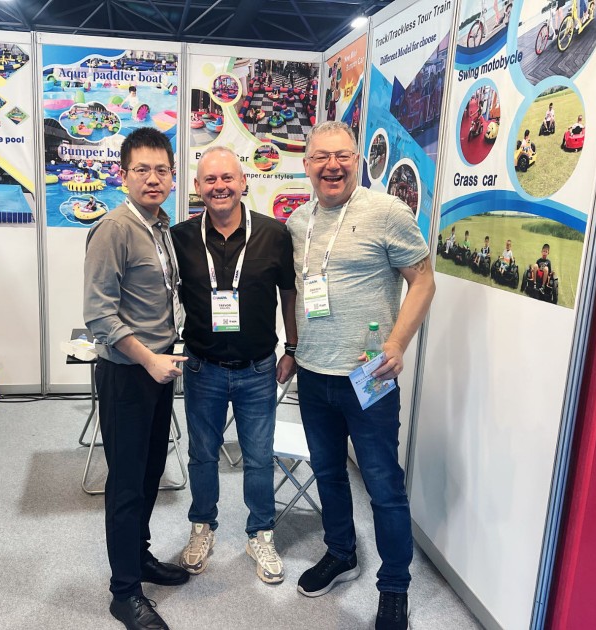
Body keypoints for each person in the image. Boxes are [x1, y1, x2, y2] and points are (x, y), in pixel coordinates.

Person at [286, 121, 435, 630]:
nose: (332, 166)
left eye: (343, 156)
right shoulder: (298, 222)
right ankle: (341, 551)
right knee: (328, 473)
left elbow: (423, 280)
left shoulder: (387, 212)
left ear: (357, 160)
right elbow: (295, 292)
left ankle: (394, 587)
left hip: (369, 376)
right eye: (321, 157)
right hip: (313, 374)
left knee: (383, 486)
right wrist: (291, 347)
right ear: (307, 165)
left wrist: (397, 344)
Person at [171, 146, 297, 584]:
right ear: (197, 187)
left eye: (228, 178)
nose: (220, 186)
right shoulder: (180, 237)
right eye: (210, 179)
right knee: (202, 454)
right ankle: (202, 527)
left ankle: (260, 533)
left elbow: (288, 294)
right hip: (202, 367)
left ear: (244, 182)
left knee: (259, 457)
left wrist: (292, 348)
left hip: (257, 368)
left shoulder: (274, 234)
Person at [84, 127, 189, 630]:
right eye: (142, 169)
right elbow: (98, 316)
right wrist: (149, 358)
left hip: (158, 371)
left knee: (150, 473)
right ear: (123, 174)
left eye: (161, 170)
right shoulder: (114, 229)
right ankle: (123, 592)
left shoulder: (160, 226)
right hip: (129, 373)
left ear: (172, 175)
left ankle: (138, 556)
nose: (153, 178)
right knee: (126, 483)